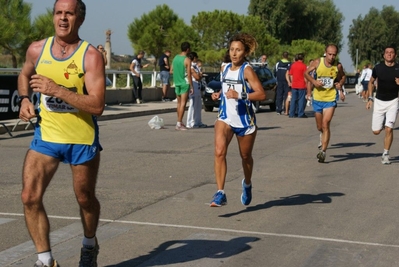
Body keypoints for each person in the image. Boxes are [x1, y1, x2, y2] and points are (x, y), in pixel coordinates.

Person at [17, 0, 105, 266]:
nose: (63, 18)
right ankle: (46, 260)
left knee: (84, 197)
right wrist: (24, 98)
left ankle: (89, 244)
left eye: (69, 13)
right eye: (59, 13)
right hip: (47, 135)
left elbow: (98, 105)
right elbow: (24, 75)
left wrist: (56, 90)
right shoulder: (37, 49)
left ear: (80, 18)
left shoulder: (90, 56)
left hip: (81, 138)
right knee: (29, 196)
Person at [209, 33, 266, 207]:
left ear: (245, 52)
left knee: (245, 156)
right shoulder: (224, 68)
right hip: (225, 117)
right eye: (232, 49)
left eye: (238, 50)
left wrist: (240, 95)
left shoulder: (247, 70)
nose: (234, 53)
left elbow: (261, 94)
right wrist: (219, 95)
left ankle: (247, 184)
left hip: (244, 121)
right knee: (219, 151)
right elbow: (227, 90)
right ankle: (220, 193)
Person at [304, 44, 346, 163]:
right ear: (325, 53)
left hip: (330, 98)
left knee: (326, 123)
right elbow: (306, 73)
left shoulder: (338, 66)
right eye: (330, 54)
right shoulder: (318, 62)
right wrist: (314, 81)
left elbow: (343, 77)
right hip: (317, 98)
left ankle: (323, 151)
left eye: (334, 54)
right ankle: (322, 136)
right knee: (320, 127)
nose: (332, 57)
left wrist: (340, 84)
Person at [366, 46, 399, 165]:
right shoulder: (378, 68)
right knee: (376, 131)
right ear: (384, 55)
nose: (389, 54)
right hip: (379, 101)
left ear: (395, 55)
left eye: (392, 52)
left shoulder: (398, 68)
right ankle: (384, 121)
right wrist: (370, 98)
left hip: (393, 101)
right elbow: (371, 82)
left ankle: (386, 153)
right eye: (387, 53)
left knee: (389, 129)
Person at [170, 42, 194, 130]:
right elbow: (189, 74)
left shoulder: (175, 58)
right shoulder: (187, 60)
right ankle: (179, 123)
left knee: (179, 103)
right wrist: (191, 86)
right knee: (183, 104)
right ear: (187, 49)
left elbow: (171, 70)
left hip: (177, 83)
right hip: (184, 83)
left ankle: (179, 121)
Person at [186, 52, 207, 128]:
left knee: (198, 106)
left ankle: (198, 121)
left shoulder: (196, 66)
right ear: (194, 58)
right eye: (196, 57)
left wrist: (200, 75)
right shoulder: (191, 66)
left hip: (198, 86)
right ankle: (190, 122)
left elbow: (199, 75)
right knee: (192, 105)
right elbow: (197, 77)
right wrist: (200, 75)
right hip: (193, 86)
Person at [287, 53, 308, 118]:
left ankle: (291, 113)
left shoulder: (293, 65)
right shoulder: (304, 66)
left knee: (293, 99)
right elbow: (305, 76)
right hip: (301, 85)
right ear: (303, 58)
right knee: (301, 100)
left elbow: (291, 75)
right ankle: (300, 113)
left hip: (294, 85)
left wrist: (292, 82)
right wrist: (306, 84)